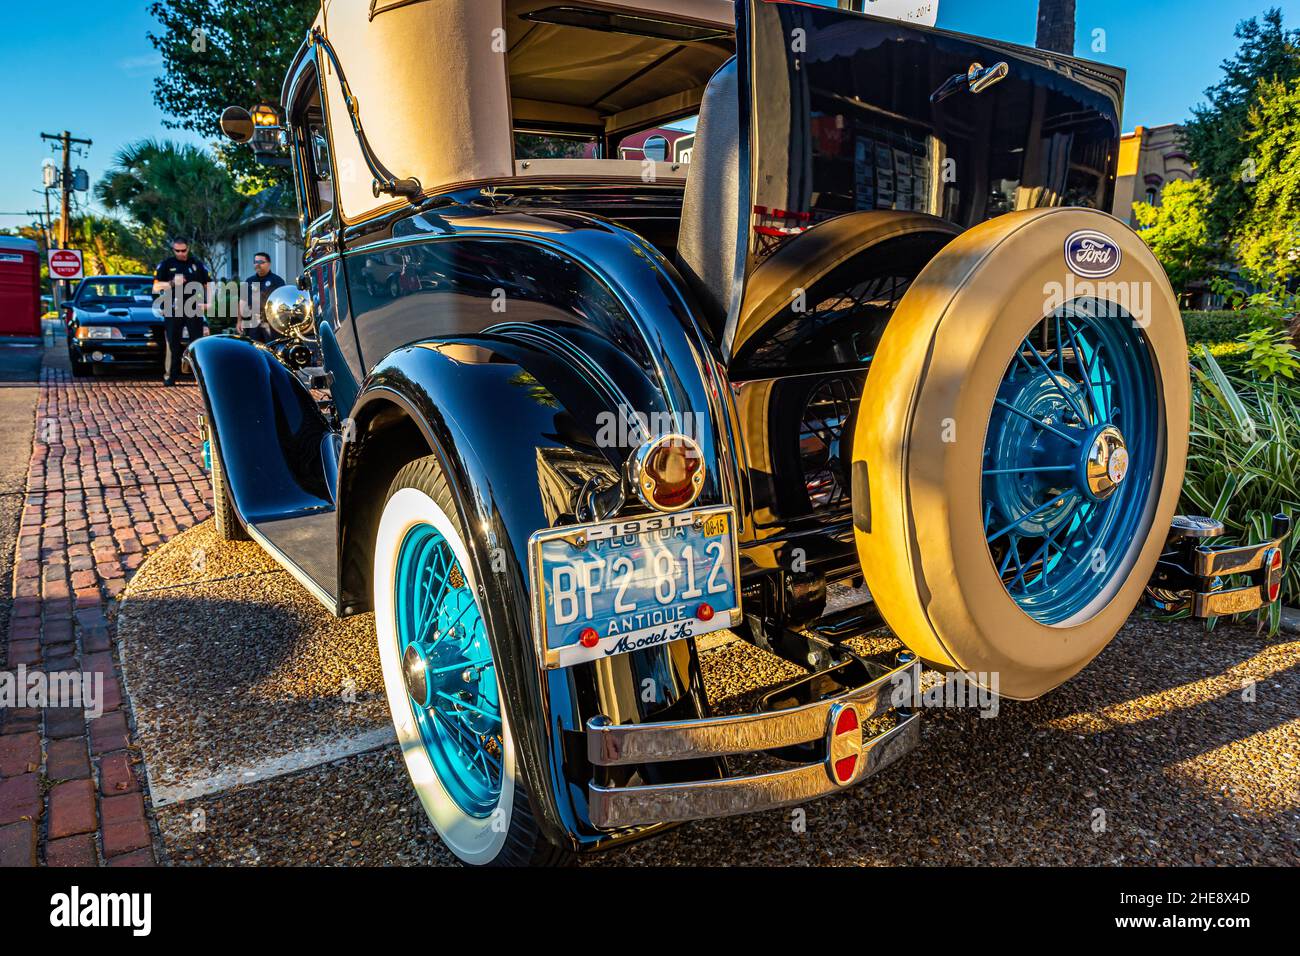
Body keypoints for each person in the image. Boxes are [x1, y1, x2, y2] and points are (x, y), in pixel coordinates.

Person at [152, 238, 212, 385]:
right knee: (173, 343)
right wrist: (172, 283)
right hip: (173, 308)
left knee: (197, 342)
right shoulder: (166, 264)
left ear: (188, 248)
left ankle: (199, 377)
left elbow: (208, 284)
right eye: (177, 251)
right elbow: (156, 287)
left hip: (194, 307)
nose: (181, 253)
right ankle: (171, 376)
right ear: (173, 250)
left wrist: (209, 303)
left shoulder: (196, 264)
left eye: (183, 250)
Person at [239, 252, 286, 343]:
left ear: (269, 263)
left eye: (261, 262)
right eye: (255, 262)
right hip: (253, 323)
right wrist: (239, 321)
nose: (257, 264)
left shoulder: (277, 281)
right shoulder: (249, 281)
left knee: (272, 347)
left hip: (271, 323)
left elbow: (282, 302)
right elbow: (242, 301)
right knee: (253, 348)